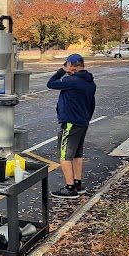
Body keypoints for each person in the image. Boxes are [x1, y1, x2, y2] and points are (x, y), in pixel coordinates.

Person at [46, 53, 96, 199]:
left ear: (71, 65)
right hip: (82, 122)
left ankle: (69, 188)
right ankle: (78, 183)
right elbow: (92, 104)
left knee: (65, 155)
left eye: (67, 64)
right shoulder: (89, 82)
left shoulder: (72, 81)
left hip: (70, 122)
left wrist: (62, 70)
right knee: (77, 153)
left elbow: (51, 83)